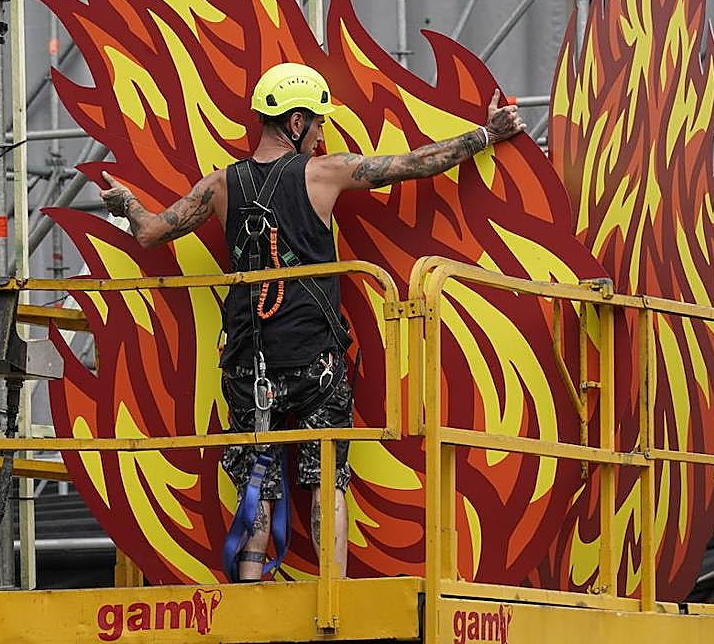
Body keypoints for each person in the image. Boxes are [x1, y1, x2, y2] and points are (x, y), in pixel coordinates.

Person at [99, 62, 525, 581]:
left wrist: (125, 203)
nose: (322, 135)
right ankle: (334, 607)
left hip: (247, 371)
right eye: (318, 123)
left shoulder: (218, 188)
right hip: (314, 366)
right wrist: (488, 133)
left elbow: (149, 232)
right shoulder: (324, 173)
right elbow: (417, 164)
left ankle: (250, 603)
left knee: (259, 480)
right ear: (296, 123)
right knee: (328, 479)